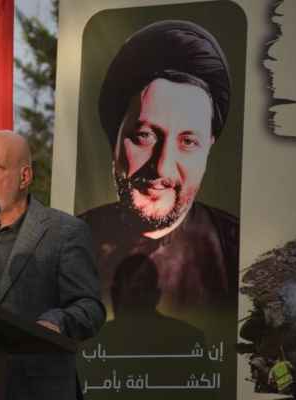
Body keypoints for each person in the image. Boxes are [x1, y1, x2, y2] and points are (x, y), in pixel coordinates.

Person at [79, 20, 239, 317]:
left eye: (188, 141)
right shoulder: (71, 243)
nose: (162, 166)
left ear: (208, 149)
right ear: (115, 138)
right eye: (145, 136)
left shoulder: (237, 250)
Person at [0, 130, 106, 400]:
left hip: (37, 389)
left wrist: (57, 322)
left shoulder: (64, 232)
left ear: (24, 177)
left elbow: (89, 307)